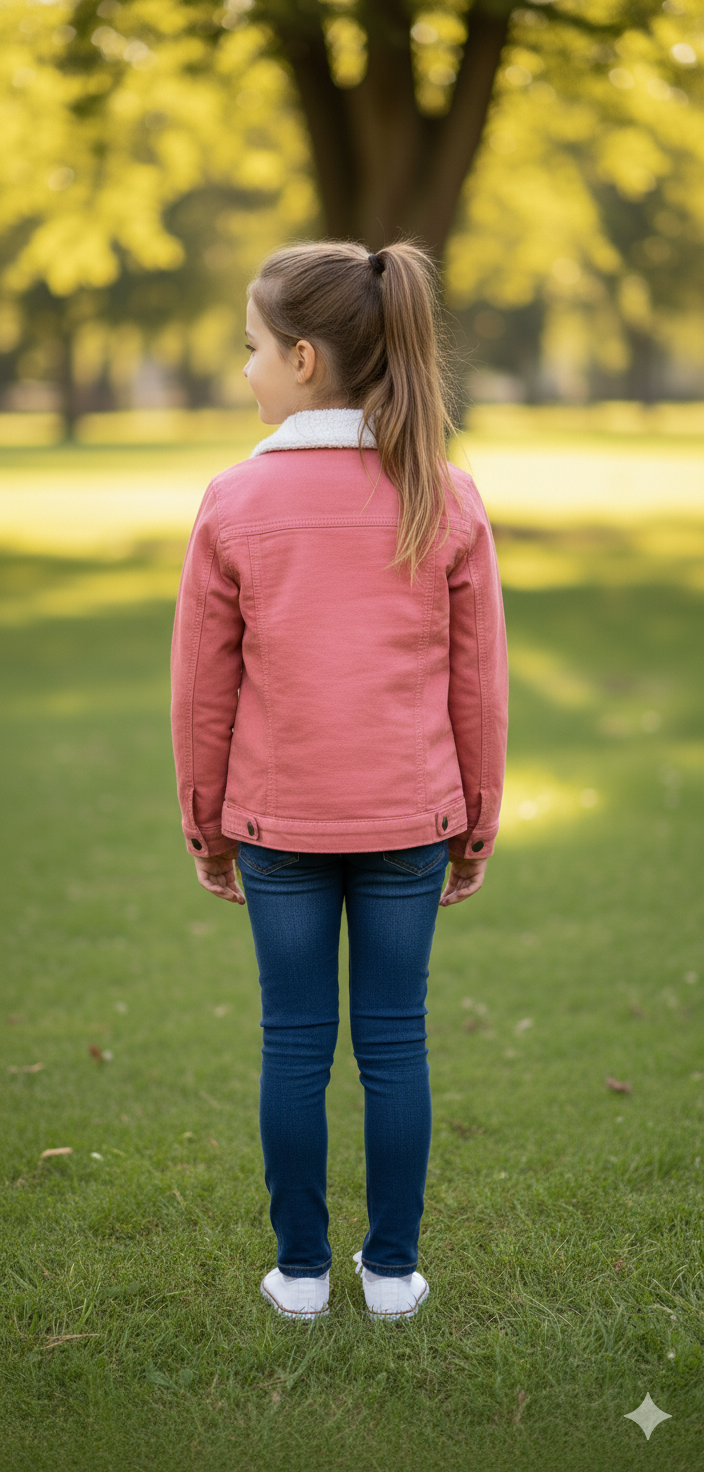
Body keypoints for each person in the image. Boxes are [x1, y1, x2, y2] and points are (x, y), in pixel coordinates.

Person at [171, 240, 508, 1322]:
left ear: (304, 359)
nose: (245, 369)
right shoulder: (444, 495)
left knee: (293, 1042)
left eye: (252, 348)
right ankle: (394, 1273)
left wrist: (206, 825)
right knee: (396, 1041)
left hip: (278, 826)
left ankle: (304, 1273)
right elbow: (479, 686)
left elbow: (201, 692)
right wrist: (475, 822)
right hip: (410, 818)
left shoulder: (232, 500)